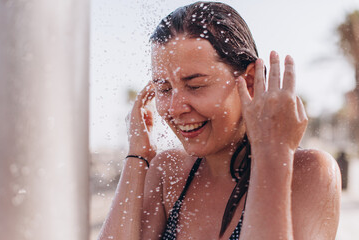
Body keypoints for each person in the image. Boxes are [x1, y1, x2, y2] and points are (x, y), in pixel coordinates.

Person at [98, 2, 341, 239]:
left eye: (195, 85)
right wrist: (136, 156)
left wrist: (272, 154)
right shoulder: (167, 173)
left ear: (248, 81)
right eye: (164, 89)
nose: (174, 108)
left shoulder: (308, 172)